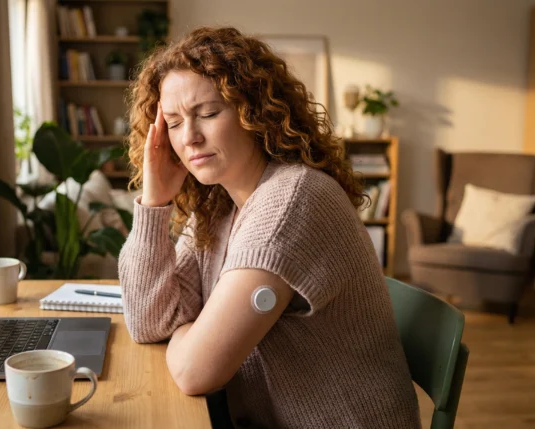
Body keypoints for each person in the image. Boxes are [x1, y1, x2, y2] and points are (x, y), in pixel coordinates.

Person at [118, 26, 421, 429]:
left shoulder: (291, 201)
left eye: (208, 113)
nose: (189, 137)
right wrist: (155, 203)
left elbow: (195, 372)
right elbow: (148, 321)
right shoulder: (219, 205)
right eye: (173, 123)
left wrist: (188, 332)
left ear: (254, 112)